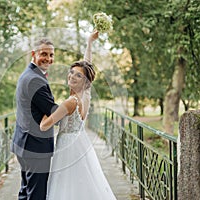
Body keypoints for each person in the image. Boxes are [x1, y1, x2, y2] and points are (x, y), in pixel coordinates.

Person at [40, 30, 117, 200]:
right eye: (72, 72)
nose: (73, 76)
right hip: (80, 143)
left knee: (67, 187)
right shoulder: (85, 97)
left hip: (67, 148)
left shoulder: (69, 103)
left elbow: (44, 125)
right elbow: (87, 64)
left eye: (78, 75)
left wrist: (41, 109)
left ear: (85, 81)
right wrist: (89, 42)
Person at [11, 38, 58, 200]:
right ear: (33, 54)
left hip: (25, 143)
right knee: (36, 194)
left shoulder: (29, 74)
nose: (48, 58)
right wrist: (72, 106)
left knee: (26, 191)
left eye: (51, 55)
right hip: (35, 147)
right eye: (44, 54)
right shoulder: (34, 80)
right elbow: (53, 112)